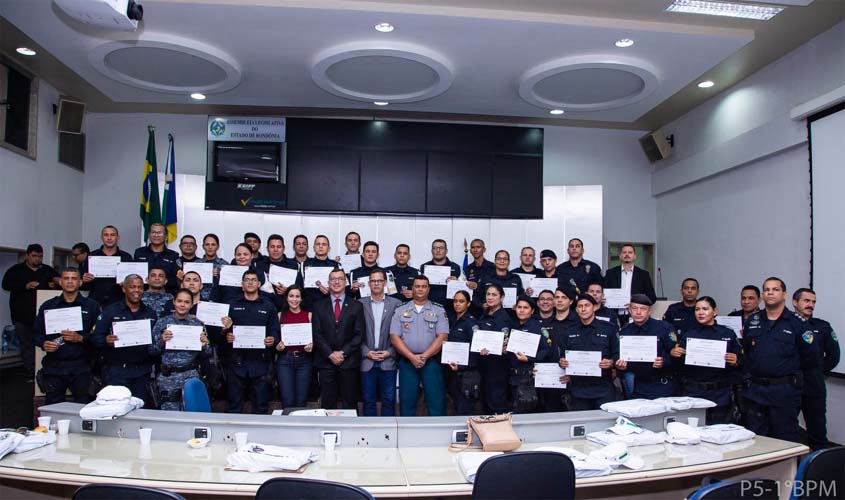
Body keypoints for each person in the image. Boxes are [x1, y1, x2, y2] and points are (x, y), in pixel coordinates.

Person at [742, 277, 818, 442]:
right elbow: (748, 352)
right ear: (762, 295)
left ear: (784, 294)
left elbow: (810, 357)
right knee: (756, 439)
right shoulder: (753, 321)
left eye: (775, 289)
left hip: (783, 391)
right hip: (755, 391)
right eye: (767, 289)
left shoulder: (798, 324)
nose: (770, 293)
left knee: (785, 438)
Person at [33, 267, 99, 404]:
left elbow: (99, 337)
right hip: (54, 368)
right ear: (60, 282)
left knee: (83, 409)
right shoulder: (49, 306)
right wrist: (44, 343)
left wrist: (81, 338)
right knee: (53, 409)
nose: (70, 282)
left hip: (81, 367)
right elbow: (35, 334)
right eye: (66, 278)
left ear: (80, 282)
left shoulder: (92, 306)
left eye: (74, 278)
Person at [90, 274, 159, 405]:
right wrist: (106, 340)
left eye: (140, 287)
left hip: (142, 372)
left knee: (141, 410)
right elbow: (95, 338)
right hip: (117, 372)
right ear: (124, 289)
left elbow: (155, 342)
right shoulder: (110, 312)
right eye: (132, 287)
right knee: (116, 409)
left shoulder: (150, 313)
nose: (136, 290)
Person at [670, 297, 741, 424]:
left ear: (714, 311)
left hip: (719, 393)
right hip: (693, 391)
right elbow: (678, 365)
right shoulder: (689, 334)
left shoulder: (727, 333)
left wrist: (736, 360)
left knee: (719, 431)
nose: (700, 312)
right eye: (697, 309)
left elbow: (741, 362)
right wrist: (674, 354)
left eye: (705, 309)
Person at [220, 269, 280, 414]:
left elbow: (275, 330)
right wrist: (226, 334)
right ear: (242, 284)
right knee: (234, 406)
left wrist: (272, 339)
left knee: (261, 406)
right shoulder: (231, 305)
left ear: (259, 284)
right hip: (236, 362)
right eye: (247, 280)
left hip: (261, 363)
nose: (250, 282)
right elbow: (221, 331)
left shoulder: (268, 305)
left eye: (253, 280)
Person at [390, 275, 449, 416]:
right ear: (413, 288)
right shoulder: (400, 309)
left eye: (423, 286)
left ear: (428, 289)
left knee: (436, 403)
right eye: (417, 286)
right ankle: (406, 436)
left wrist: (424, 357)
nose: (420, 289)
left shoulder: (439, 310)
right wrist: (412, 357)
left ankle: (437, 436)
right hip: (407, 362)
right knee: (407, 402)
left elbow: (443, 337)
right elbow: (394, 337)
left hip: (431, 362)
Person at [2, 243, 60, 380]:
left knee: (45, 342)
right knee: (26, 343)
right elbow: (5, 285)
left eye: (40, 256)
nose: (37, 259)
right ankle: (30, 370)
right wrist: (25, 285)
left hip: (44, 316)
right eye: (34, 256)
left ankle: (44, 369)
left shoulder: (47, 270)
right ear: (27, 255)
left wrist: (55, 283)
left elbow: (57, 283)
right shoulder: (16, 270)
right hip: (21, 315)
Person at [792, 288, 840, 450]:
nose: (810, 305)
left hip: (813, 384)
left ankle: (821, 468)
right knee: (786, 430)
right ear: (795, 302)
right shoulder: (785, 324)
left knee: (817, 429)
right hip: (788, 383)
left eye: (813, 302)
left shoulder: (822, 326)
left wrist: (817, 371)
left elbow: (834, 356)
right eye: (806, 301)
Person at [311, 269, 364, 409]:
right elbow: (317, 334)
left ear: (346, 282)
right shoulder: (318, 306)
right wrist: (330, 354)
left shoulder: (357, 305)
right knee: (327, 404)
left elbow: (359, 334)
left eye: (340, 279)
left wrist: (343, 353)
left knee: (350, 403)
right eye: (333, 279)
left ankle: (351, 431)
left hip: (348, 362)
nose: (336, 282)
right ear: (328, 283)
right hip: (325, 362)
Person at [149, 289, 209, 411]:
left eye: (187, 302)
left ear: (192, 304)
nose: (182, 305)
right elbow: (151, 351)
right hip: (168, 377)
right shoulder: (162, 322)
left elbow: (207, 353)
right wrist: (162, 341)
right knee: (170, 417)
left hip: (190, 375)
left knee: (193, 414)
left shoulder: (198, 324)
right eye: (179, 301)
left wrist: (204, 345)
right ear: (174, 302)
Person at [556, 294, 619, 410]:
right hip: (578, 389)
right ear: (576, 310)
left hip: (603, 388)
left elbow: (618, 354)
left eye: (587, 305)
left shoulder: (608, 328)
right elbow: (561, 356)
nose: (583, 309)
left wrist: (611, 362)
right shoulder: (569, 330)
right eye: (580, 306)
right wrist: (562, 362)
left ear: (594, 308)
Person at [615, 294, 678, 400]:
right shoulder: (625, 332)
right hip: (638, 385)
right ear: (629, 310)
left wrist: (664, 361)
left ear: (649, 312)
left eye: (643, 309)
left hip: (662, 384)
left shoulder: (664, 328)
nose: (638, 312)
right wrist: (620, 366)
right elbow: (619, 356)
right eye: (634, 308)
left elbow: (675, 356)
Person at [360, 269, 401, 416]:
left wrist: (390, 352)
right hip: (367, 360)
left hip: (388, 359)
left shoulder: (397, 304)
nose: (376, 283)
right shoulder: (360, 304)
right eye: (373, 281)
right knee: (368, 400)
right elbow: (355, 334)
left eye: (379, 281)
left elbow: (402, 335)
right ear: (369, 283)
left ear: (384, 283)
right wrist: (366, 352)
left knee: (389, 400)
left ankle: (387, 436)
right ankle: (369, 436)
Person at [275, 284, 314, 409]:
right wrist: (278, 345)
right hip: (285, 360)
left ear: (301, 299)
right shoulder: (280, 315)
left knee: (302, 401)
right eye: (291, 296)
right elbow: (274, 336)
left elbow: (316, 337)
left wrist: (312, 345)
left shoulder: (309, 315)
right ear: (286, 298)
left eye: (298, 296)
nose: (294, 299)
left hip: (304, 360)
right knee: (287, 400)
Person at [509, 296, 549, 413]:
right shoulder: (514, 326)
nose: (521, 310)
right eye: (519, 307)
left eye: (525, 308)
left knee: (526, 411)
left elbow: (546, 350)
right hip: (513, 376)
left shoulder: (537, 328)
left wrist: (529, 358)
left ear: (532, 311)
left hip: (529, 377)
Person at [476, 284, 512, 414]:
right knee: (485, 402)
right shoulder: (484, 314)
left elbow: (505, 342)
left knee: (496, 402)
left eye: (494, 295)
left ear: (501, 297)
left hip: (498, 366)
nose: (490, 297)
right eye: (488, 294)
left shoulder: (504, 318)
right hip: (484, 364)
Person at [80, 225, 134, 307]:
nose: (109, 238)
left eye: (112, 235)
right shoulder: (92, 256)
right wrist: (84, 280)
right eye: (106, 235)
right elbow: (82, 283)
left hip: (119, 301)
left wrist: (127, 283)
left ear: (118, 238)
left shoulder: (126, 257)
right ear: (101, 238)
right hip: (95, 301)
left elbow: (133, 281)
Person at [604, 244, 657, 326]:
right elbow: (604, 293)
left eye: (630, 252)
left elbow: (652, 297)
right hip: (614, 315)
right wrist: (603, 299)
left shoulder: (643, 274)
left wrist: (636, 303)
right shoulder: (610, 273)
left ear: (635, 256)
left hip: (636, 316)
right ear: (620, 256)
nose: (627, 255)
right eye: (624, 252)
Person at [445, 290, 479, 415]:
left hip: (467, 375)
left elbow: (476, 350)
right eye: (455, 301)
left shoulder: (471, 323)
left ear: (468, 304)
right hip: (453, 372)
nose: (457, 304)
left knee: (464, 411)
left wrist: (462, 366)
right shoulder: (452, 319)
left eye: (461, 301)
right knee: (456, 407)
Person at [134, 222, 180, 293]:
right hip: (142, 293)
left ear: (166, 236)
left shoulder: (173, 256)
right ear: (149, 235)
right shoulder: (139, 253)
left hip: (167, 295)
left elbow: (175, 279)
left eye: (160, 233)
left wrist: (159, 283)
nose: (156, 235)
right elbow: (134, 274)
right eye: (153, 232)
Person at [420, 239, 461, 306]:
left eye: (441, 248)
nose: (438, 250)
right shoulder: (423, 267)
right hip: (429, 306)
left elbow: (464, 289)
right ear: (431, 251)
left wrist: (457, 283)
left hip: (450, 307)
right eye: (435, 248)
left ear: (446, 251)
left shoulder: (456, 267)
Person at [303, 235, 338, 311]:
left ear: (329, 249)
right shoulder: (304, 265)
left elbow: (345, 289)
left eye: (324, 244)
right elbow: (299, 287)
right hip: (309, 308)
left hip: (331, 308)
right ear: (313, 248)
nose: (321, 246)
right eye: (318, 244)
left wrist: (332, 291)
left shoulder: (336, 265)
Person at [199, 233, 228, 300]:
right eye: (207, 244)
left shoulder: (225, 265)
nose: (210, 247)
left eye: (213, 244)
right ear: (203, 246)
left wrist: (222, 275)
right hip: (199, 301)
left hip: (219, 301)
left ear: (218, 247)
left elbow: (229, 288)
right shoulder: (195, 264)